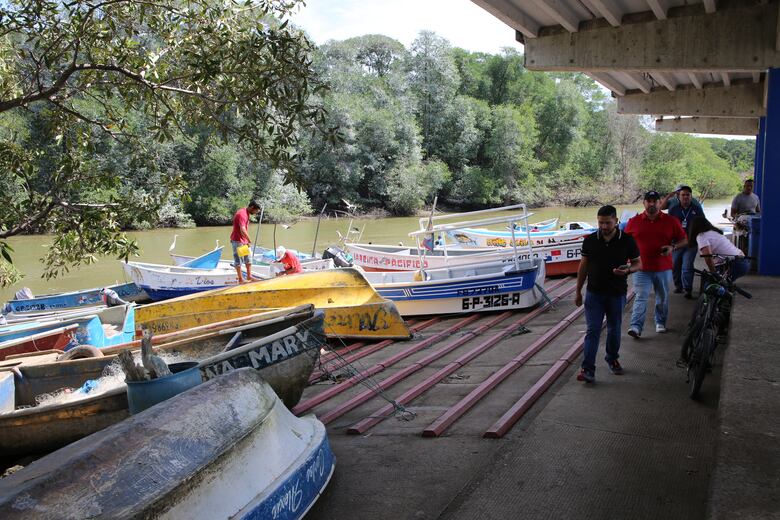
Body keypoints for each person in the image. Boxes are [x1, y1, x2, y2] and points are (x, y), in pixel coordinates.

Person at [574, 205, 641, 383]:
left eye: (608, 223)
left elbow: (638, 264)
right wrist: (578, 291)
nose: (604, 226)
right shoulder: (589, 240)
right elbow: (583, 266)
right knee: (592, 330)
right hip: (594, 293)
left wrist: (628, 271)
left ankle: (612, 358)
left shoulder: (627, 240)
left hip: (616, 293)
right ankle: (588, 369)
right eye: (600, 223)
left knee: (614, 329)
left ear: (616, 221)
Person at [624, 191, 688, 338]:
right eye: (648, 201)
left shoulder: (671, 221)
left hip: (663, 268)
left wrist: (673, 247)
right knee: (641, 296)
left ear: (660, 203)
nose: (651, 204)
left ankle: (660, 321)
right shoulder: (633, 221)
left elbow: (684, 240)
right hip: (641, 268)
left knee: (663, 297)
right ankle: (636, 326)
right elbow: (625, 244)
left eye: (655, 201)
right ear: (644, 203)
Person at [665, 186, 704, 298]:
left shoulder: (697, 208)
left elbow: (702, 223)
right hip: (676, 242)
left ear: (691, 196)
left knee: (687, 265)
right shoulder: (674, 209)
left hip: (691, 243)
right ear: (678, 196)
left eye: (688, 195)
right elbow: (668, 226)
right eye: (683, 195)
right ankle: (679, 286)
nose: (686, 197)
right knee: (675, 264)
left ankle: (688, 289)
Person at [687, 217, 751, 281]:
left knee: (711, 287)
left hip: (734, 264)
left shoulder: (701, 236)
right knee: (722, 283)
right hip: (742, 261)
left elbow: (708, 256)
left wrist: (713, 273)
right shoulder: (714, 232)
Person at [230, 200, 261, 283]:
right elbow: (242, 229)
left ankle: (249, 276)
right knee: (238, 261)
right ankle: (240, 280)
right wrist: (249, 239)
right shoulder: (242, 214)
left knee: (248, 259)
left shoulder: (246, 213)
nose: (255, 213)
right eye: (255, 211)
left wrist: (246, 241)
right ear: (252, 207)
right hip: (237, 241)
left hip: (243, 240)